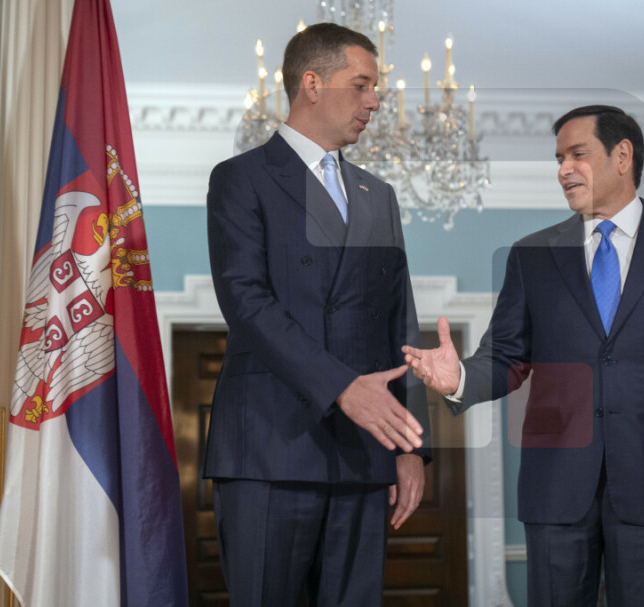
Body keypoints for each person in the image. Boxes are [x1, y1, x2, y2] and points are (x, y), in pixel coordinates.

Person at [403, 105, 644, 606]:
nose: (563, 170)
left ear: (622, 156)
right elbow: (505, 358)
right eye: (559, 159)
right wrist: (458, 377)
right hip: (554, 485)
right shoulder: (531, 255)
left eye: (577, 155)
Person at [204, 23, 430, 606]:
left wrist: (410, 447)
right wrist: (342, 388)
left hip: (365, 455)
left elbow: (400, 323)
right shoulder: (239, 178)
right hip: (268, 449)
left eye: (374, 89)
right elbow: (246, 301)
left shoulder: (380, 196)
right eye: (361, 85)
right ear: (312, 84)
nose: (374, 102)